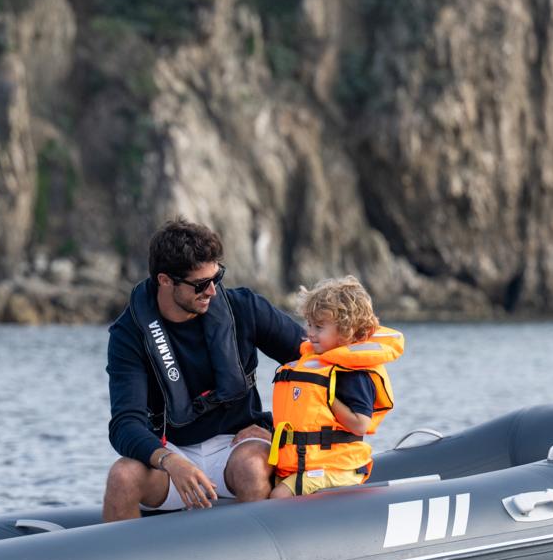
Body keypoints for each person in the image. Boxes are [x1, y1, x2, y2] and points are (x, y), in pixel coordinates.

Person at [103, 219, 306, 520]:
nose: (212, 290)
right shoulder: (129, 334)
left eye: (216, 277)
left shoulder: (245, 308)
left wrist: (277, 427)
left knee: (252, 468)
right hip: (171, 454)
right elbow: (125, 424)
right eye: (200, 284)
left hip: (238, 444)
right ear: (165, 281)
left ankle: (254, 549)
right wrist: (169, 460)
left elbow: (315, 365)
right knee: (122, 477)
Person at [267, 276, 404, 497]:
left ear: (346, 330)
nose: (310, 333)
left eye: (319, 327)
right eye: (309, 324)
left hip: (337, 469)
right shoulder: (316, 364)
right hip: (307, 464)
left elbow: (360, 425)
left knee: (278, 496)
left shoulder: (353, 374)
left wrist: (328, 398)